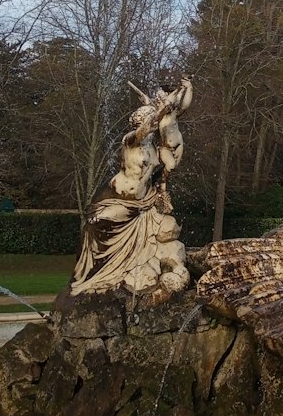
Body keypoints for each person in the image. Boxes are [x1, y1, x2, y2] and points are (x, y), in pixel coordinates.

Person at [71, 77, 193, 296]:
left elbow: (173, 122)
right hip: (117, 197)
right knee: (95, 223)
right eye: (143, 120)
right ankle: (89, 272)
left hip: (141, 203)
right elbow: (144, 130)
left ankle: (126, 271)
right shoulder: (130, 141)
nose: (147, 124)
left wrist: (183, 90)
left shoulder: (156, 147)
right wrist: (159, 111)